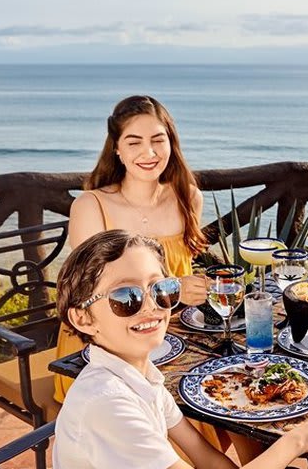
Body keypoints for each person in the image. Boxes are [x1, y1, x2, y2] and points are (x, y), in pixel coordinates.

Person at [52, 230, 308, 469]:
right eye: (126, 298)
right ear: (83, 318)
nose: (151, 308)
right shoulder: (108, 403)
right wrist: (299, 440)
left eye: (162, 289)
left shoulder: (141, 377)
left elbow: (209, 461)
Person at [55, 95, 207, 402]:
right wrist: (175, 288)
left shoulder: (187, 197)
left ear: (171, 144)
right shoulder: (91, 205)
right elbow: (89, 296)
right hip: (105, 347)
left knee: (236, 385)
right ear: (117, 149)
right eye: (134, 142)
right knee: (202, 403)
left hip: (170, 334)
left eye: (157, 140)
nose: (149, 153)